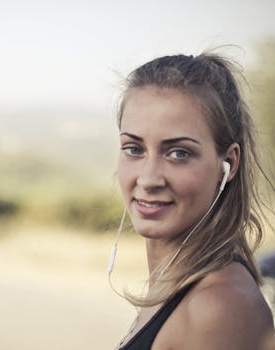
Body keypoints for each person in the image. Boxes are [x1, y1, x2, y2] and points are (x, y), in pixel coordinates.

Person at [109, 53, 274, 349]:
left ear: (229, 163)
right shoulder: (180, 286)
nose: (148, 179)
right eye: (134, 149)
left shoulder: (217, 306)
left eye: (179, 153)